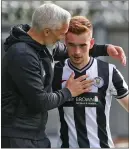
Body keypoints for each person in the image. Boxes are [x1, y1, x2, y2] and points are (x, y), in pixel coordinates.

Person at [1, 3, 127, 148]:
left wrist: (105, 49)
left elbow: (70, 51)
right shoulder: (22, 54)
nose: (63, 39)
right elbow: (40, 102)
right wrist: (69, 91)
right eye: (62, 34)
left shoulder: (41, 46)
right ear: (47, 32)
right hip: (18, 136)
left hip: (35, 135)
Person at [52, 16, 129, 148]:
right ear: (65, 42)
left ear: (92, 43)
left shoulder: (109, 72)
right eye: (71, 45)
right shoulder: (55, 72)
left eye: (83, 45)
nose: (77, 52)